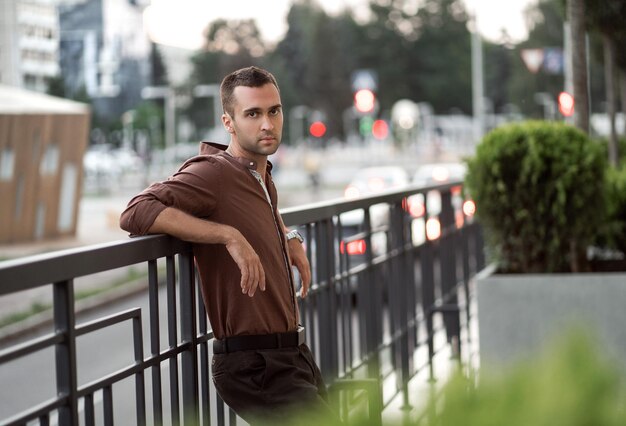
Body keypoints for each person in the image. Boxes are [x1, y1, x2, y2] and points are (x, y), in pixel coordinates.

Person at [119, 66, 337, 424]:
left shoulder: (259, 172)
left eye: (274, 111)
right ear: (229, 122)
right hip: (256, 365)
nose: (267, 124)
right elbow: (136, 211)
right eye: (252, 114)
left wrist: (288, 236)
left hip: (291, 354)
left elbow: (259, 210)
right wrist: (227, 235)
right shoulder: (213, 172)